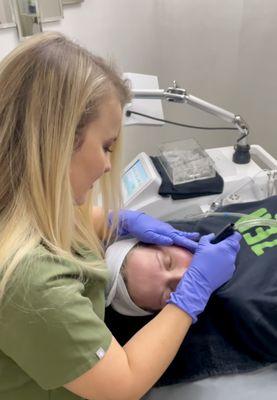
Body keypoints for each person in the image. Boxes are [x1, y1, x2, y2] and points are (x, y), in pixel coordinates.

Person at [0, 32, 241, 400]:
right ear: (59, 141)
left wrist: (116, 221)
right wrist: (191, 296)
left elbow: (70, 217)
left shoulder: (19, 197)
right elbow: (122, 385)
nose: (109, 164)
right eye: (106, 146)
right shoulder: (31, 283)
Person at [105, 196, 277, 385]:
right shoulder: (246, 305)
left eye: (168, 262)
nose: (183, 276)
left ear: (163, 240)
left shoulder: (212, 225)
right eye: (169, 292)